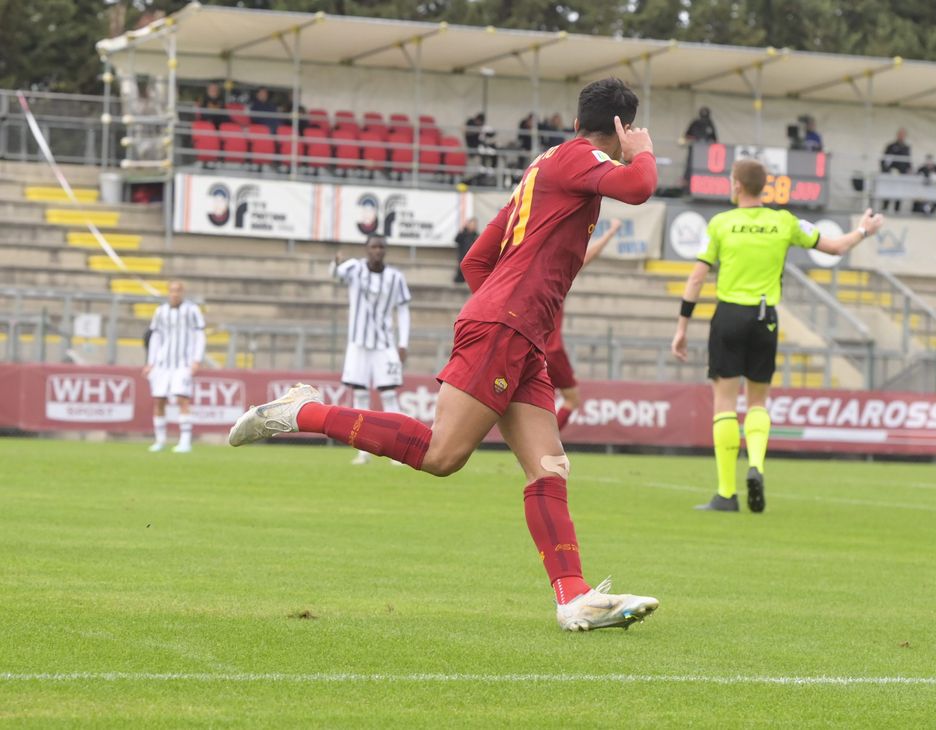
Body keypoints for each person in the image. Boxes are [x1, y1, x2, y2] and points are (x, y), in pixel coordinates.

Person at [229, 78, 660, 632]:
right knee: (442, 455)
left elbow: (476, 260)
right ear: (621, 128)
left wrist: (507, 310)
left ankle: (573, 597)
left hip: (518, 332)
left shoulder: (545, 169)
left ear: (578, 119)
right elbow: (640, 186)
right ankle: (300, 412)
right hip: (507, 328)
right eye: (630, 132)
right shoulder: (581, 158)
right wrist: (643, 152)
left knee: (549, 466)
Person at [671, 158, 884, 513]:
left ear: (737, 184)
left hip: (729, 315)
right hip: (765, 317)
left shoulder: (721, 223)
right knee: (758, 402)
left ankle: (726, 493)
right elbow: (836, 248)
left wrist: (682, 327)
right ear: (764, 186)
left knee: (725, 403)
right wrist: (863, 230)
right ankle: (756, 465)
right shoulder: (784, 222)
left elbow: (696, 278)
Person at [331, 236, 411, 465]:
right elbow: (336, 274)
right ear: (366, 249)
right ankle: (363, 451)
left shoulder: (395, 277)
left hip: (384, 343)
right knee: (360, 395)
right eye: (373, 247)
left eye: (381, 247)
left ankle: (399, 451)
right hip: (358, 343)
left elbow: (403, 310)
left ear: (385, 250)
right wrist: (336, 262)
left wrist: (403, 342)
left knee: (389, 394)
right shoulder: (355, 268)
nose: (377, 250)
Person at [550, 219, 622, 431]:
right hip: (551, 350)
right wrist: (610, 233)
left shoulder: (534, 270)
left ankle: (533, 443)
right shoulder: (559, 272)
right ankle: (542, 444)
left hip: (530, 347)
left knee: (537, 401)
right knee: (572, 399)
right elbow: (588, 256)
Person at [143, 281, 206, 453]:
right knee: (159, 400)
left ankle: (185, 441)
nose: (175, 294)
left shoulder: (192, 310)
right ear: (168, 292)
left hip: (183, 363)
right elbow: (155, 338)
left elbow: (200, 335)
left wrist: (197, 360)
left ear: (183, 292)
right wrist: (150, 362)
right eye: (172, 290)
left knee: (182, 399)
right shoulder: (160, 311)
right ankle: (160, 440)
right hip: (163, 364)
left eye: (178, 291)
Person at [880, 128, 911, 212]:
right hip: (890, 175)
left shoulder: (906, 148)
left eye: (903, 135)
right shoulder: (891, 146)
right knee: (887, 193)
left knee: (899, 194)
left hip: (901, 176)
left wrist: (908, 170)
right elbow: (884, 161)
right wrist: (887, 171)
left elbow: (908, 162)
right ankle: (884, 209)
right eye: (900, 134)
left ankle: (897, 210)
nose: (901, 136)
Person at [454, 217, 479, 284]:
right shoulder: (463, 233)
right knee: (460, 276)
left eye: (475, 225)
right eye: (472, 224)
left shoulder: (476, 235)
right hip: (462, 256)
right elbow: (456, 240)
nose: (473, 226)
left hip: (472, 258)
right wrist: (462, 231)